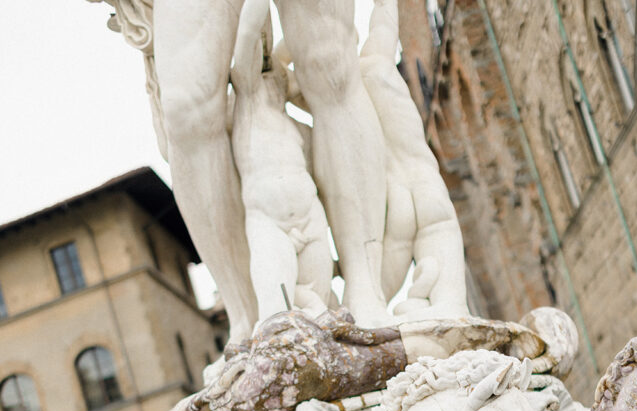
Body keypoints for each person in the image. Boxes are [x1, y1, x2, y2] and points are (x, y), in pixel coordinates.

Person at [90, 0, 389, 332]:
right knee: (188, 111)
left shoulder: (279, 115)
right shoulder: (250, 97)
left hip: (301, 211)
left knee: (331, 63)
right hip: (268, 214)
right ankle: (245, 316)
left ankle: (365, 286)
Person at [360, 0, 470, 319]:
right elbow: (384, 19)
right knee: (453, 307)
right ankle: (449, 307)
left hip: (395, 198)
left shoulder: (343, 93)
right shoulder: (378, 62)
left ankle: (375, 317)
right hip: (426, 183)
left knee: (372, 303)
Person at [231, 0, 333, 321]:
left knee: (322, 312)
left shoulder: (298, 128)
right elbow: (247, 35)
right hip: (269, 224)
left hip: (311, 219)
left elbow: (314, 62)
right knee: (276, 315)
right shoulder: (247, 102)